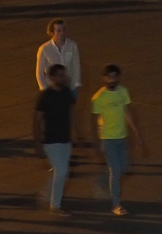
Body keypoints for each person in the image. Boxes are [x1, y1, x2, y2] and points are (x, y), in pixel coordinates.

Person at [89, 64, 145, 217]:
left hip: (123, 138)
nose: (112, 80)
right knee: (115, 171)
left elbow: (128, 113)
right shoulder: (99, 98)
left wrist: (137, 135)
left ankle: (103, 183)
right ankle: (116, 204)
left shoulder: (123, 92)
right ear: (104, 78)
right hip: (108, 139)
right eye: (109, 77)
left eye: (115, 77)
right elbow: (94, 123)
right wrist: (96, 144)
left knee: (124, 168)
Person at [33, 64, 76, 214]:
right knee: (62, 170)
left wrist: (75, 134)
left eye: (63, 75)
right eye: (59, 75)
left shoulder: (67, 93)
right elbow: (37, 120)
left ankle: (46, 194)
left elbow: (71, 113)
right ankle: (55, 205)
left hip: (65, 138)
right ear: (51, 77)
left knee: (62, 171)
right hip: (51, 140)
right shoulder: (45, 96)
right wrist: (38, 142)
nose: (62, 78)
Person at [35, 18, 82, 99]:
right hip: (52, 89)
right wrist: (44, 89)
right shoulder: (44, 49)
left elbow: (76, 66)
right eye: (59, 31)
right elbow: (39, 71)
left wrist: (76, 85)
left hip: (68, 88)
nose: (62, 33)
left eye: (63, 30)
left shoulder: (72, 46)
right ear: (52, 33)